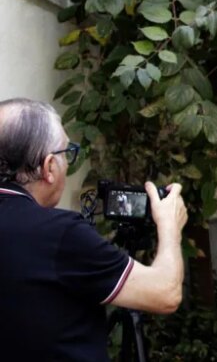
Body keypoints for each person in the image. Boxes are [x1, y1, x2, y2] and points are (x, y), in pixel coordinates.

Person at [0, 98, 188, 361]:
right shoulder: (60, 234)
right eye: (67, 153)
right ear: (49, 167)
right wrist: (169, 224)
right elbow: (165, 293)